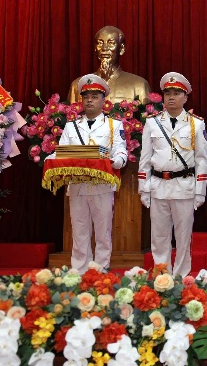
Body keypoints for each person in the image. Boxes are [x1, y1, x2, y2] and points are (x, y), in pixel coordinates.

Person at [53, 74, 127, 271]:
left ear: (103, 100)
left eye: (94, 97)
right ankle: (79, 271)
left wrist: (117, 161)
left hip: (102, 186)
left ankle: (101, 270)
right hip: (77, 185)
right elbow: (61, 152)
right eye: (86, 97)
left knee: (103, 233)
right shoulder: (71, 126)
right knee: (79, 232)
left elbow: (120, 150)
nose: (90, 100)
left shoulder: (114, 125)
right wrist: (49, 160)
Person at [138, 72, 207, 276]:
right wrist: (144, 189)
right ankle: (162, 277)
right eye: (167, 93)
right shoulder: (152, 123)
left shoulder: (196, 123)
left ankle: (181, 277)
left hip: (184, 186)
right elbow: (145, 159)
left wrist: (200, 191)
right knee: (159, 237)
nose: (171, 97)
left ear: (185, 97)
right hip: (158, 186)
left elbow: (202, 160)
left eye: (176, 93)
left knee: (183, 237)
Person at [68, 26, 151, 104]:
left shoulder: (139, 85)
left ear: (121, 49)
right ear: (95, 49)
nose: (104, 48)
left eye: (111, 43)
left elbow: (145, 113)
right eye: (100, 43)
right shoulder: (78, 85)